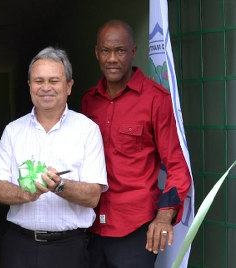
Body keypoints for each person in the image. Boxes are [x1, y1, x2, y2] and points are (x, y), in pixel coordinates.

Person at [81, 19, 192, 268]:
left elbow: (177, 167)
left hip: (135, 228)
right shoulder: (89, 101)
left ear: (133, 52)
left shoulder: (156, 100)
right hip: (90, 226)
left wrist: (163, 218)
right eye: (106, 51)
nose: (112, 59)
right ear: (97, 52)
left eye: (120, 51)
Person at [0, 46, 108, 268]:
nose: (46, 88)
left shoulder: (88, 130)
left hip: (70, 249)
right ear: (29, 86)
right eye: (38, 81)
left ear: (69, 86)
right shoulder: (13, 131)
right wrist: (26, 193)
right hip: (20, 247)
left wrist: (59, 185)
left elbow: (93, 196)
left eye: (54, 81)